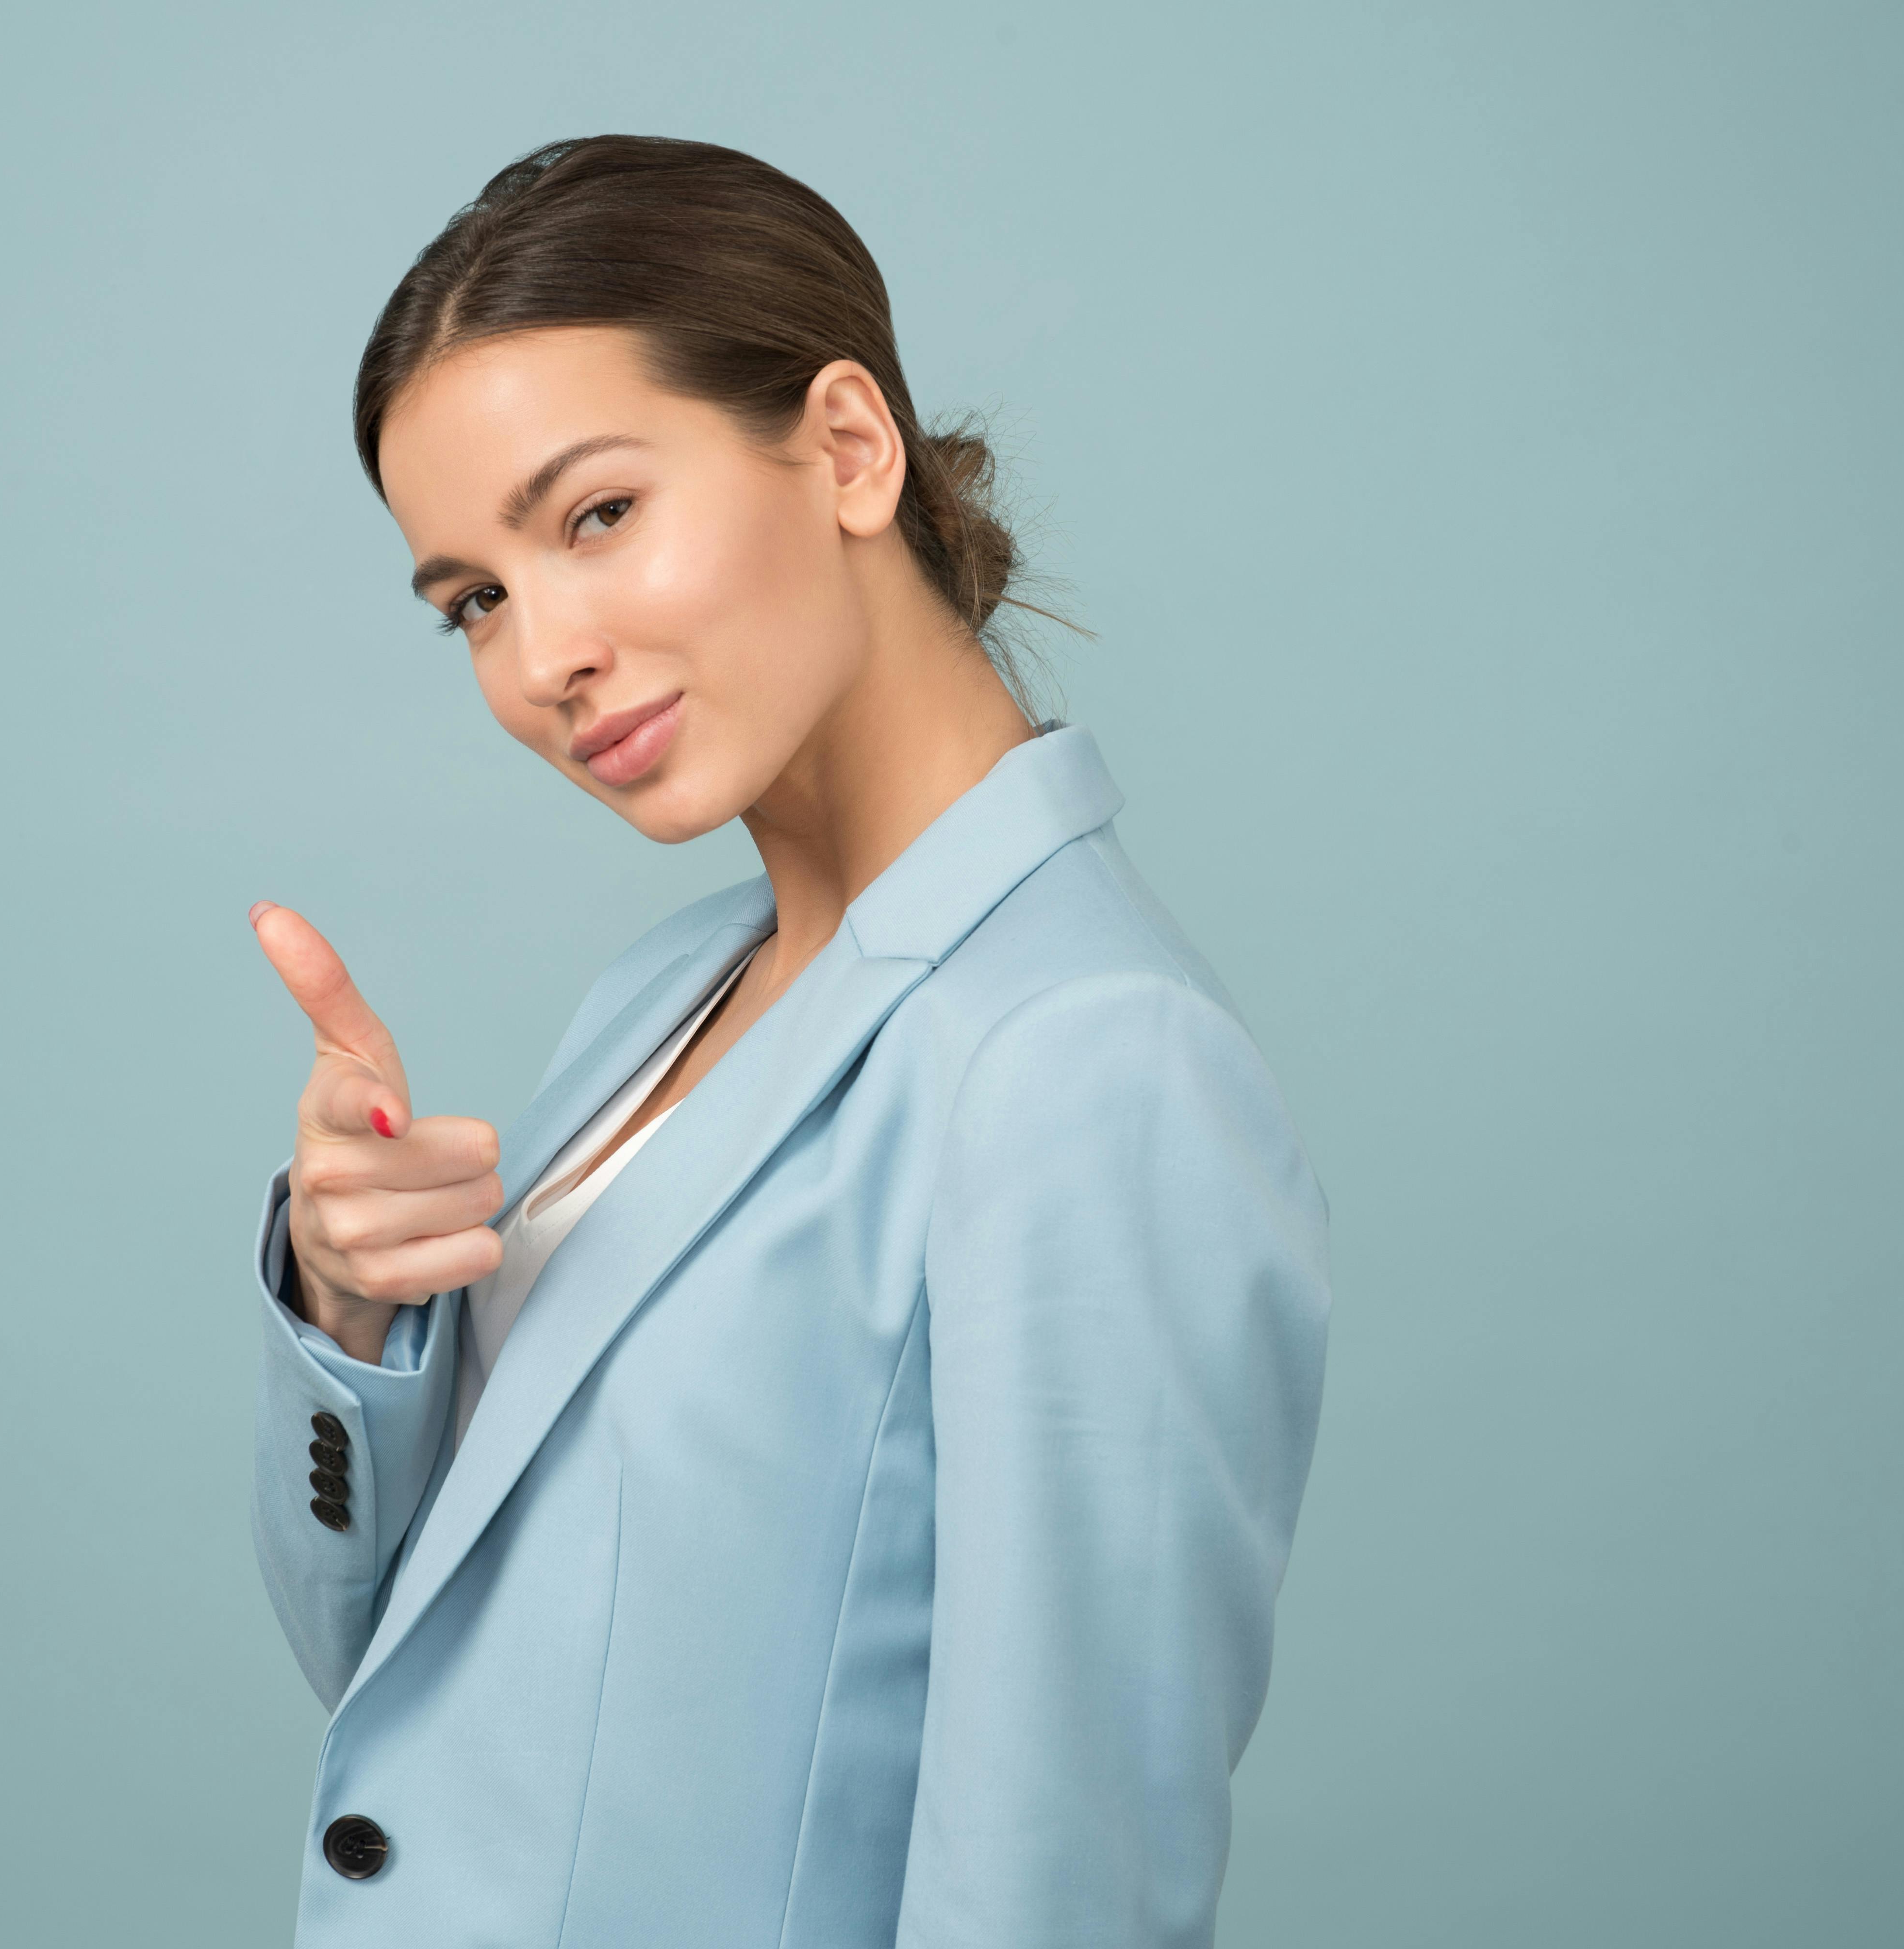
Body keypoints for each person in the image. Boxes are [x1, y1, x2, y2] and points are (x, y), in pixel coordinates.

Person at [243, 134, 1330, 1949]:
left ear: (847, 447)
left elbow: (1069, 1888)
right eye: (474, 601)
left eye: (593, 516)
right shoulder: (659, 995)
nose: (542, 659)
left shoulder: (1084, 1062)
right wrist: (354, 1319)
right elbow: (401, 1686)